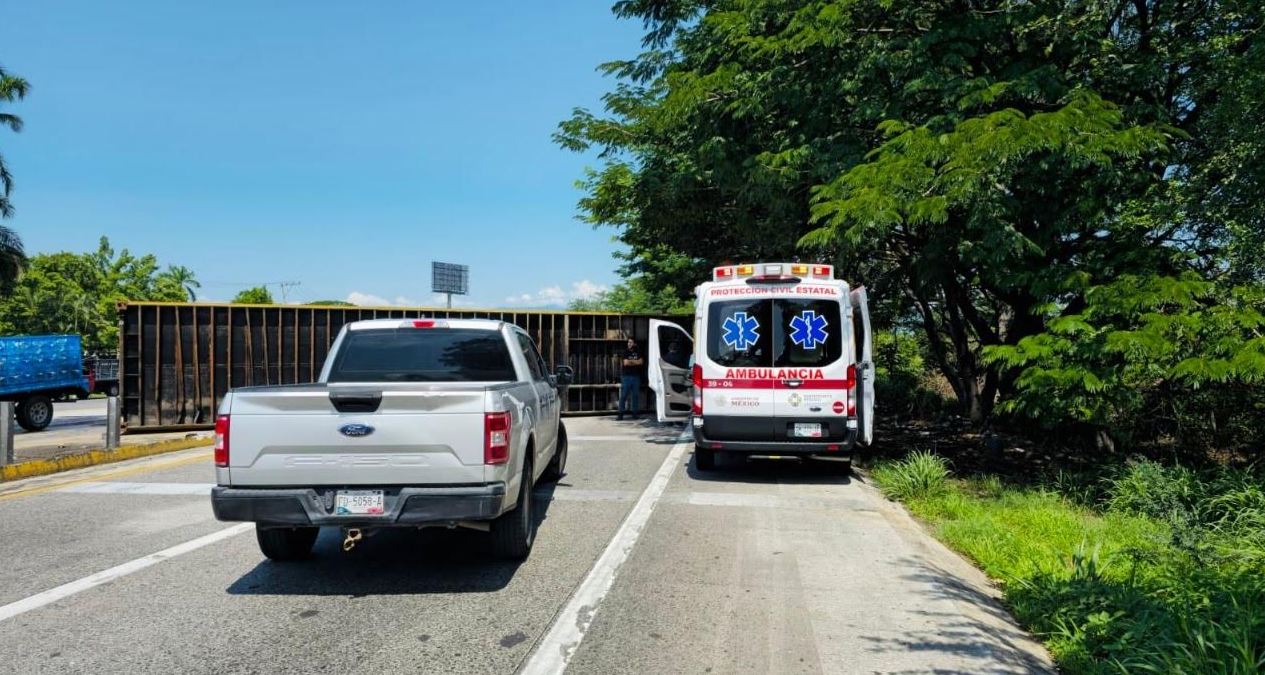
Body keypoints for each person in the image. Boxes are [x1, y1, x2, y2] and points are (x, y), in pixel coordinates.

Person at [618, 337, 644, 420]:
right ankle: (621, 414)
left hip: (636, 376)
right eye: (628, 342)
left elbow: (641, 362)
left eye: (631, 342)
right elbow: (626, 363)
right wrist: (636, 362)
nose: (629, 344)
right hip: (626, 377)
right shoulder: (625, 352)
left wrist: (631, 362)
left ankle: (635, 414)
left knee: (635, 396)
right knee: (624, 395)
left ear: (634, 344)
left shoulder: (638, 352)